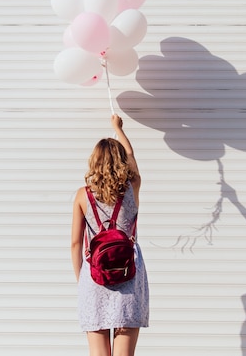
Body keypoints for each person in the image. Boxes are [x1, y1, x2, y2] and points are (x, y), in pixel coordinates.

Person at [71, 114, 149, 356]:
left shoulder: (82, 196)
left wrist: (82, 279)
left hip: (95, 278)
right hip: (128, 276)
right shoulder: (131, 188)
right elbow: (132, 157)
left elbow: (75, 243)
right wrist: (118, 129)